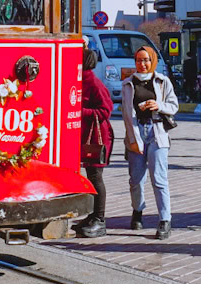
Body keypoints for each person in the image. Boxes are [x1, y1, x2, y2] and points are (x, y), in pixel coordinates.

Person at [122, 45, 179, 240]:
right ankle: (137, 211)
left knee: (159, 178)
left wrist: (158, 105)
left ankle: (165, 220)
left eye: (146, 60)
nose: (143, 64)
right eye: (139, 60)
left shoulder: (162, 81)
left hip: (157, 132)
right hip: (136, 132)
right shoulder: (128, 84)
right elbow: (126, 113)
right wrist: (131, 138)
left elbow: (173, 106)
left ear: (152, 61)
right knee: (136, 179)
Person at [76, 47, 114, 238]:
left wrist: (81, 112)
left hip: (98, 137)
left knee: (95, 177)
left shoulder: (94, 83)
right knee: (90, 177)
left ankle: (100, 219)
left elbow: (106, 110)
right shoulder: (80, 81)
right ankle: (92, 216)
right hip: (85, 136)